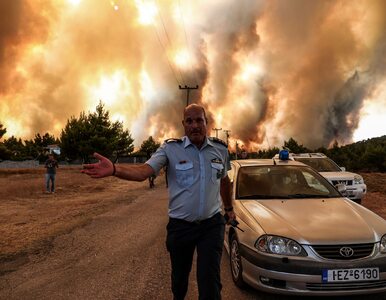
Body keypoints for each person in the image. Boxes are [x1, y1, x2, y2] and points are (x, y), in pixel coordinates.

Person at [81, 104, 235, 300]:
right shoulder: (170, 149)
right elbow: (143, 172)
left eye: (199, 120)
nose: (195, 125)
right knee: (179, 281)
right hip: (181, 227)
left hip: (211, 225)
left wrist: (229, 209)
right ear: (183, 124)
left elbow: (224, 180)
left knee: (210, 282)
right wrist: (114, 169)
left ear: (206, 122)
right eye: (189, 121)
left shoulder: (220, 149)